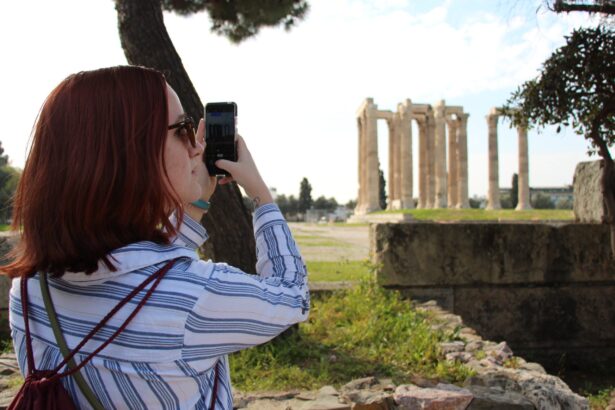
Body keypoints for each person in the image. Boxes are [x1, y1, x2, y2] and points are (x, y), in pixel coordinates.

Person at [2, 65, 309, 409]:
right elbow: (292, 296)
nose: (196, 147)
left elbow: (147, 274)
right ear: (130, 153)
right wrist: (259, 192)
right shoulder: (195, 298)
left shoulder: (29, 289)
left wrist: (194, 207)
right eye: (182, 130)